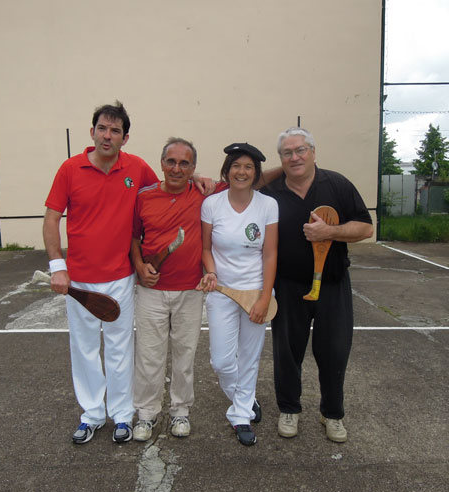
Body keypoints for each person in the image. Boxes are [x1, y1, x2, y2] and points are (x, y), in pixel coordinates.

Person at [42, 102, 212, 445]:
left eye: (115, 130)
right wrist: (58, 266)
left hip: (121, 277)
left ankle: (122, 416)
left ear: (125, 137)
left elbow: (169, 182)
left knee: (121, 349)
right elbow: (51, 219)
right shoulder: (69, 169)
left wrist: (195, 177)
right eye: (102, 128)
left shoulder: (136, 168)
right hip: (78, 280)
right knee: (85, 348)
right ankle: (91, 415)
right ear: (92, 132)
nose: (108, 135)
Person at [260, 127, 373, 443]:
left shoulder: (336, 184)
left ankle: (332, 414)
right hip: (288, 286)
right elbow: (242, 180)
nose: (295, 157)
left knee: (335, 351)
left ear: (313, 152)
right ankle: (289, 409)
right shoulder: (271, 191)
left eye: (300, 151)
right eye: (287, 153)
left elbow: (365, 228)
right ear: (280, 158)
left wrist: (330, 233)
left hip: (333, 285)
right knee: (286, 352)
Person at [129, 138, 229, 442]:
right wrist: (139, 266)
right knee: (149, 356)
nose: (176, 168)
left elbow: (249, 178)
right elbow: (134, 239)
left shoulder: (205, 194)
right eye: (171, 161)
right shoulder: (144, 196)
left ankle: (180, 411)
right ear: (161, 164)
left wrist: (289, 166)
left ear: (194, 168)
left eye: (184, 163)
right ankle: (146, 414)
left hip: (191, 290)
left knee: (185, 355)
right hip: (151, 291)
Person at [197, 143, 278, 446]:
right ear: (227, 170)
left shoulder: (268, 205)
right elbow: (206, 249)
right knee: (221, 361)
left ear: (256, 173)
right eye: (236, 166)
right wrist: (211, 271)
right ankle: (244, 398)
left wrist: (264, 297)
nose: (241, 172)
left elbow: (270, 255)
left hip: (255, 292)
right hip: (221, 292)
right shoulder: (212, 204)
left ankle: (241, 414)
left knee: (249, 357)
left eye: (248, 167)